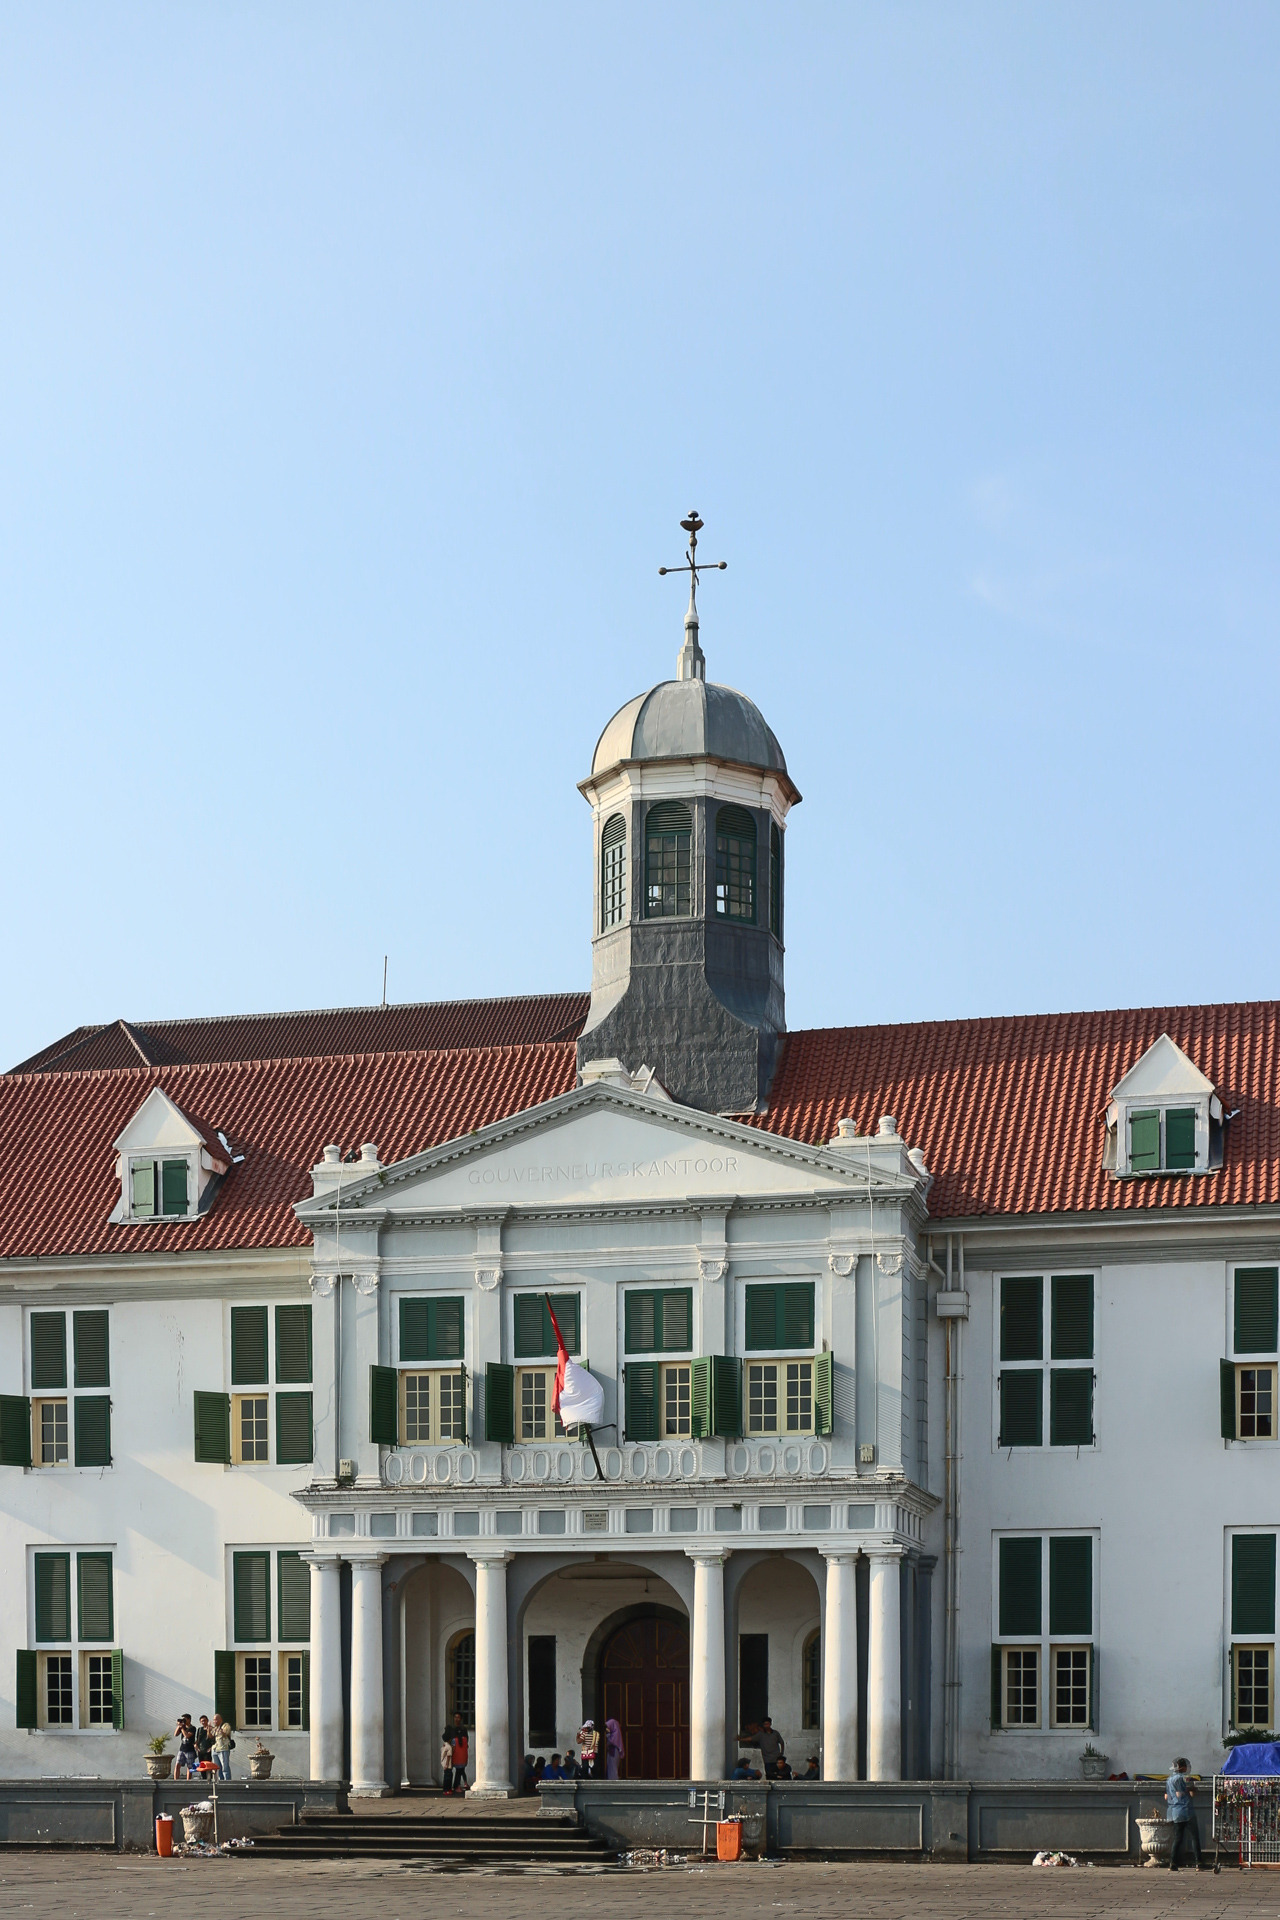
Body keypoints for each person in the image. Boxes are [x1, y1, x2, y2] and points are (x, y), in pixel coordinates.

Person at [1166, 1758, 1201, 1870]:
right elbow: (1180, 1794)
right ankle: (1199, 1863)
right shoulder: (1183, 1778)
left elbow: (1166, 1796)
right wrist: (1191, 1789)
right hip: (1186, 1810)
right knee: (1195, 1837)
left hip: (1174, 1811)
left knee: (1178, 1838)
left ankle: (1173, 1862)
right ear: (1182, 1767)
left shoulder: (1169, 1779)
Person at [174, 1714, 199, 1780]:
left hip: (190, 1749)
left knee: (189, 1767)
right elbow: (175, 1734)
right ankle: (175, 1781)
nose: (184, 1721)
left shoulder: (192, 1728)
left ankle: (188, 1781)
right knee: (177, 1765)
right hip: (182, 1749)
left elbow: (187, 1735)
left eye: (185, 1719)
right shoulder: (182, 1727)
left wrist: (182, 1728)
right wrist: (179, 1726)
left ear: (189, 1719)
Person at [211, 1714, 234, 1781]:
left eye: (216, 1719)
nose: (214, 1721)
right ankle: (220, 1780)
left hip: (223, 1748)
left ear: (220, 1719)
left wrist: (221, 1731)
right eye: (214, 1720)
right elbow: (211, 1736)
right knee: (217, 1767)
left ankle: (227, 1781)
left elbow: (226, 1733)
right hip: (215, 1749)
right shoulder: (215, 1728)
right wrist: (208, 1729)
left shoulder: (225, 1725)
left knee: (225, 1766)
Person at [449, 1723, 469, 1795]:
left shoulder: (454, 1740)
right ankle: (462, 1784)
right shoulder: (465, 1740)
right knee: (461, 1772)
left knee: (457, 1773)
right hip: (463, 1759)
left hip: (456, 1759)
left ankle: (456, 1786)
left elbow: (453, 1749)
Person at [605, 1716, 625, 1781]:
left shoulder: (614, 1736)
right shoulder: (614, 1734)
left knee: (612, 1768)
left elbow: (611, 1741)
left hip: (613, 1751)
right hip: (613, 1751)